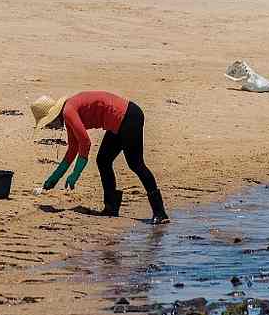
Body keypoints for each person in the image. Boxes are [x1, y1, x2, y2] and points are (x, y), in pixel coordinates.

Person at [31, 91, 170, 225]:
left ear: (54, 116)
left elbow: (85, 142)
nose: (50, 126)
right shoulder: (69, 111)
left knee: (136, 164)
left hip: (129, 117)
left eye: (48, 123)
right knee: (103, 160)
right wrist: (54, 178)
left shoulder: (68, 111)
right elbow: (73, 148)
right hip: (121, 119)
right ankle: (111, 207)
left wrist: (76, 173)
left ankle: (160, 213)